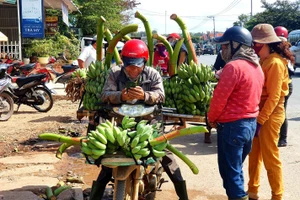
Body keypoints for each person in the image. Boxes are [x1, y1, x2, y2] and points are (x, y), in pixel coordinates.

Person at [89, 39, 189, 200]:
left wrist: (145, 95)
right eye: (129, 65)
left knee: (167, 158)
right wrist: (121, 95)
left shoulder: (152, 74)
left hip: (149, 124)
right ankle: (95, 196)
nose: (133, 69)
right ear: (123, 62)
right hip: (122, 125)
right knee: (107, 165)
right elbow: (105, 95)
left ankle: (184, 196)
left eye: (137, 65)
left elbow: (161, 95)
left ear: (144, 62)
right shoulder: (115, 73)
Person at [208, 26, 264, 200]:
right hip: (249, 125)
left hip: (233, 127)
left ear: (236, 46)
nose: (222, 50)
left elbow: (219, 99)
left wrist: (211, 119)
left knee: (230, 175)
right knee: (236, 169)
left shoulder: (233, 67)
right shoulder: (256, 67)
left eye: (225, 46)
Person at [247, 23, 294, 200]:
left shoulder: (274, 63)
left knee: (270, 157)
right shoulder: (263, 60)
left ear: (266, 44)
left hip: (271, 114)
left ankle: (277, 195)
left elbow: (274, 97)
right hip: (259, 113)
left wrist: (260, 120)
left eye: (257, 44)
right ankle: (252, 191)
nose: (254, 47)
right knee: (254, 155)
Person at [274, 26, 295, 147]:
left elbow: (290, 71)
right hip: (286, 84)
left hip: (285, 85)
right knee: (280, 111)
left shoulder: (283, 54)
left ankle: (283, 138)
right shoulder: (286, 52)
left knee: (281, 111)